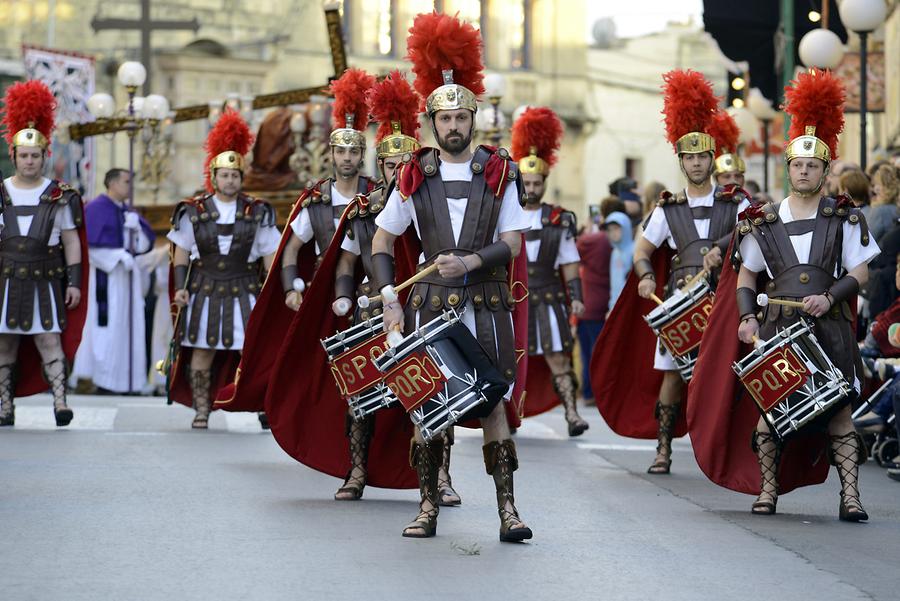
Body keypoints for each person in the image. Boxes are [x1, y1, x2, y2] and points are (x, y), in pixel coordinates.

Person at [689, 69, 879, 520]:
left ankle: (850, 497)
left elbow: (861, 273)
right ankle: (767, 491)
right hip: (778, 326)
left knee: (839, 414)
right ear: (789, 167)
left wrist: (831, 298)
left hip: (829, 325)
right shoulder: (761, 220)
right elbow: (745, 278)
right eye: (798, 164)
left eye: (813, 165)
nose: (805, 170)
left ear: (825, 170)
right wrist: (746, 317)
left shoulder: (844, 217)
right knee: (769, 413)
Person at [370, 12, 532, 542]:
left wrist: (470, 262)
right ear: (432, 124)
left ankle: (508, 511)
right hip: (431, 305)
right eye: (445, 120)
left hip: (485, 304)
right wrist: (390, 299)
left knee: (493, 408)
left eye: (461, 117)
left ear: (474, 117)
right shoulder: (414, 174)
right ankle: (427, 506)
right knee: (428, 408)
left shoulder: (500, 172)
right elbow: (381, 240)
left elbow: (511, 243)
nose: (453, 126)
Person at [593, 72, 749, 475]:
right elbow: (643, 250)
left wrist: (726, 249)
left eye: (702, 157)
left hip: (726, 301)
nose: (697, 163)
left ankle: (727, 448)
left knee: (731, 375)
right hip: (682, 301)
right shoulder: (666, 208)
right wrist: (645, 275)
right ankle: (663, 448)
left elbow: (756, 246)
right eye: (689, 158)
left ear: (712, 159)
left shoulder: (737, 204)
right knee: (674, 376)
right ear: (681, 161)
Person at [212, 69, 378, 419]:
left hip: (366, 287)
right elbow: (290, 249)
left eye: (353, 151)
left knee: (363, 358)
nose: (347, 158)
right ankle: (297, 410)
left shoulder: (376, 196)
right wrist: (289, 288)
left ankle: (354, 420)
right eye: (341, 151)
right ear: (331, 154)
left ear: (361, 154)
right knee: (311, 356)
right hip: (319, 289)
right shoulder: (315, 199)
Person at [166, 110, 279, 428]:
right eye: (224, 175)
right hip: (204, 290)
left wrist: (275, 291)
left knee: (253, 353)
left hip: (244, 289)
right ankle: (202, 409)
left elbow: (271, 256)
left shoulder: (258, 212)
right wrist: (180, 288)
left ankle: (260, 405)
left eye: (235, 175)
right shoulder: (193, 211)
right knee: (202, 352)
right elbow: (181, 254)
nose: (229, 180)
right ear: (214, 177)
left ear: (242, 178)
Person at [0, 80, 88, 427]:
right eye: (24, 155)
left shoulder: (59, 195)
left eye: (35, 155)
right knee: (4, 344)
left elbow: (71, 241)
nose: (30, 161)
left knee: (49, 340)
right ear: (14, 156)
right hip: (6, 279)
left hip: (44, 279)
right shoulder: (1, 192)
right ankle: (5, 405)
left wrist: (75, 282)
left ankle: (60, 402)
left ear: (44, 156)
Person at [511, 106, 589, 434]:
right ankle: (508, 417)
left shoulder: (558, 220)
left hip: (548, 297)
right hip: (513, 300)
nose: (530, 187)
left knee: (558, 359)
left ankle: (572, 414)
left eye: (536, 182)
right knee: (509, 364)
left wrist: (576, 297)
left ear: (544, 182)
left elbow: (570, 263)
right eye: (525, 182)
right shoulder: (506, 216)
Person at [72, 168, 155, 393]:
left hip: (128, 281)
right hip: (107, 281)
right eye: (127, 181)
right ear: (112, 183)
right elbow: (89, 247)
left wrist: (136, 229)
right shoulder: (96, 209)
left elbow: (144, 246)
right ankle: (104, 380)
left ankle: (128, 381)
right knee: (107, 330)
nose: (130, 186)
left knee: (130, 327)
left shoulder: (128, 212)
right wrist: (118, 256)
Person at [574, 198, 621, 402]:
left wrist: (586, 229)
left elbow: (574, 251)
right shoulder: (615, 240)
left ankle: (588, 392)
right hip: (607, 302)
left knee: (588, 352)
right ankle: (600, 392)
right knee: (601, 352)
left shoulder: (592, 240)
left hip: (588, 302)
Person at [603, 211, 634, 310]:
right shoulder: (615, 253)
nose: (613, 233)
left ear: (626, 228)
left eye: (616, 228)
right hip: (616, 308)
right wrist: (611, 307)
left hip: (630, 307)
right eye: (609, 230)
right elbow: (614, 284)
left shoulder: (635, 250)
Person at [709, 110, 746, 188]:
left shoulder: (749, 200)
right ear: (716, 179)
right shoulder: (708, 200)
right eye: (726, 176)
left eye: (738, 176)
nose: (733, 181)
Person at [867, 164, 900, 242]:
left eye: (878, 184)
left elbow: (867, 241)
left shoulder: (880, 211)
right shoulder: (896, 208)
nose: (875, 189)